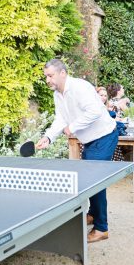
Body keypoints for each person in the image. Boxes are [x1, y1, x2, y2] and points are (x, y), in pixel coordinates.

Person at [37, 59, 118, 243]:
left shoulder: (80, 87)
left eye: (50, 76)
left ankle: (101, 228)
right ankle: (92, 214)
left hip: (104, 137)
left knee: (95, 181)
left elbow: (95, 111)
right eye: (46, 77)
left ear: (62, 73)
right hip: (89, 141)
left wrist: (72, 127)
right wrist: (49, 137)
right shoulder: (57, 94)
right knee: (90, 180)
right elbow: (60, 119)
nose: (47, 80)